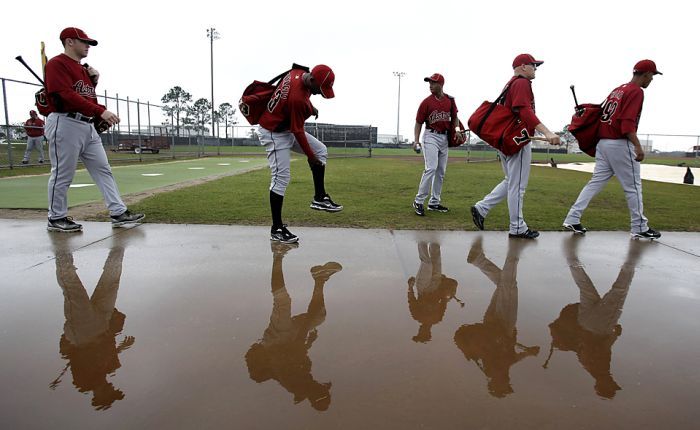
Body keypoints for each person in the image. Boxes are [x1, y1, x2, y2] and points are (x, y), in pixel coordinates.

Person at [44, 27, 144, 233]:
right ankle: (56, 217)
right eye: (84, 42)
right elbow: (64, 94)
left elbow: (84, 95)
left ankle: (118, 212)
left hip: (86, 125)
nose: (88, 46)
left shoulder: (83, 69)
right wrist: (101, 111)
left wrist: (94, 83)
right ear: (69, 42)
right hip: (65, 122)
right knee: (63, 173)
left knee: (103, 169)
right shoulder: (56, 64)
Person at [563, 60, 663, 239]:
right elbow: (626, 124)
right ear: (646, 74)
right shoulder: (636, 91)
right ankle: (639, 226)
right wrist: (638, 146)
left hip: (603, 143)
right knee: (633, 187)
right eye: (652, 76)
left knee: (595, 182)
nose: (652, 79)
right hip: (620, 143)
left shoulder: (619, 89)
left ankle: (572, 217)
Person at [544, 236, 648, 398]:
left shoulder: (599, 370)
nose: (613, 382)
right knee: (585, 286)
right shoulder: (593, 369)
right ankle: (572, 260)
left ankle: (631, 260)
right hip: (584, 321)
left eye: (611, 385)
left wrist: (614, 334)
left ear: (602, 385)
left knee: (619, 291)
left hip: (599, 326)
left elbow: (602, 346)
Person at [470, 54, 561, 239]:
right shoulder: (521, 83)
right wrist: (547, 132)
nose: (536, 68)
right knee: (517, 185)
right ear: (522, 66)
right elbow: (523, 110)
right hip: (517, 140)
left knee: (511, 181)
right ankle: (517, 227)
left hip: (509, 139)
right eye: (533, 65)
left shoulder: (512, 83)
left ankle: (482, 208)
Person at [245, 242, 342, 411]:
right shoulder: (305, 383)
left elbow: (287, 354)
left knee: (282, 302)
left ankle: (278, 256)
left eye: (321, 388)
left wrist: (305, 332)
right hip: (290, 340)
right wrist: (308, 342)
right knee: (319, 316)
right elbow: (299, 352)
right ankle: (320, 279)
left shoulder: (295, 384)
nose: (321, 384)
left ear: (316, 393)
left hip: (276, 341)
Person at [256, 64, 342, 244]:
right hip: (273, 131)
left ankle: (319, 197)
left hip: (283, 126)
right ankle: (277, 229)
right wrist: (311, 158)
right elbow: (298, 130)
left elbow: (301, 95)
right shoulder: (297, 99)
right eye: (319, 89)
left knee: (321, 150)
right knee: (281, 178)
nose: (320, 93)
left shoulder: (299, 73)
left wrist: (311, 108)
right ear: (312, 80)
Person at [455, 237, 540, 397]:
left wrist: (528, 353)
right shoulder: (487, 368)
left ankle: (513, 251)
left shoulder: (496, 370)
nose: (508, 382)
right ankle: (479, 260)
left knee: (509, 286)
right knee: (504, 285)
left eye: (505, 386)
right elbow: (512, 359)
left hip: (503, 325)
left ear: (497, 384)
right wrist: (527, 353)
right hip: (490, 324)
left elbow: (511, 359)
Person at [411, 73, 464, 216]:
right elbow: (418, 122)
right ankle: (419, 200)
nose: (430, 85)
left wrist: (458, 130)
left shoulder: (450, 101)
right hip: (431, 136)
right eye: (429, 83)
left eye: (433, 83)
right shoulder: (426, 102)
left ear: (440, 84)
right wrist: (416, 140)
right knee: (431, 168)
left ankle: (434, 203)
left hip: (444, 138)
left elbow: (455, 118)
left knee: (440, 172)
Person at [407, 241, 461, 343]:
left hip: (423, 288)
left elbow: (411, 300)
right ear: (429, 332)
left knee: (427, 263)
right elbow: (444, 302)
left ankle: (421, 240)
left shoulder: (417, 316)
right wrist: (447, 292)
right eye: (423, 333)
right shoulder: (437, 318)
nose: (422, 330)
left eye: (420, 332)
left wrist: (410, 287)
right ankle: (434, 238)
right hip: (436, 285)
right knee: (436, 257)